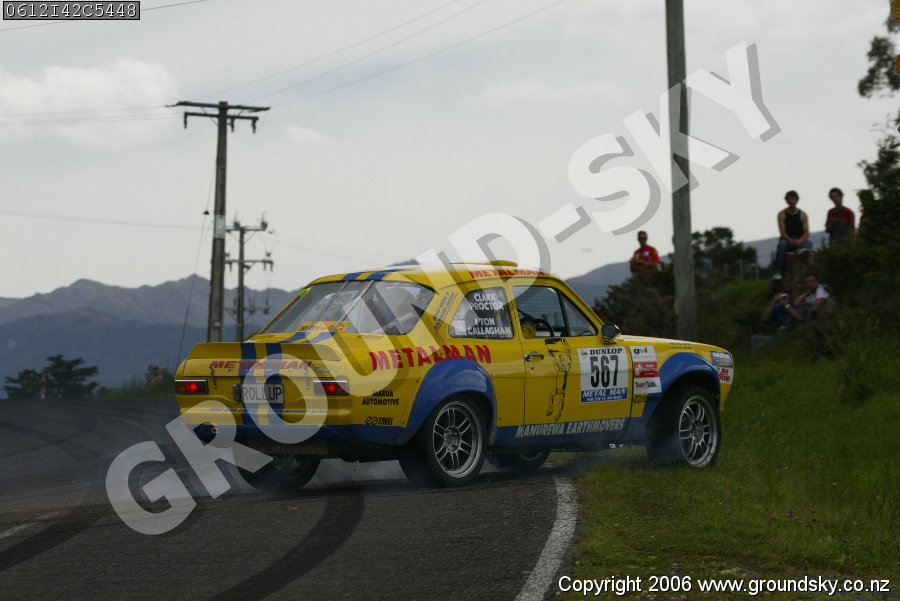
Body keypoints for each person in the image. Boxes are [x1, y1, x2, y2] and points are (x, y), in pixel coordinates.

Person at [773, 190, 812, 280]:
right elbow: (782, 232)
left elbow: (806, 232)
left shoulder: (803, 214)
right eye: (789, 199)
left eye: (793, 199)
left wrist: (800, 240)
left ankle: (808, 273)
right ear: (786, 201)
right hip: (787, 240)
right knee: (782, 244)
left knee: (808, 245)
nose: (791, 201)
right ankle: (777, 271)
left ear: (797, 200)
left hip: (800, 239)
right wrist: (789, 239)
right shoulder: (782, 214)